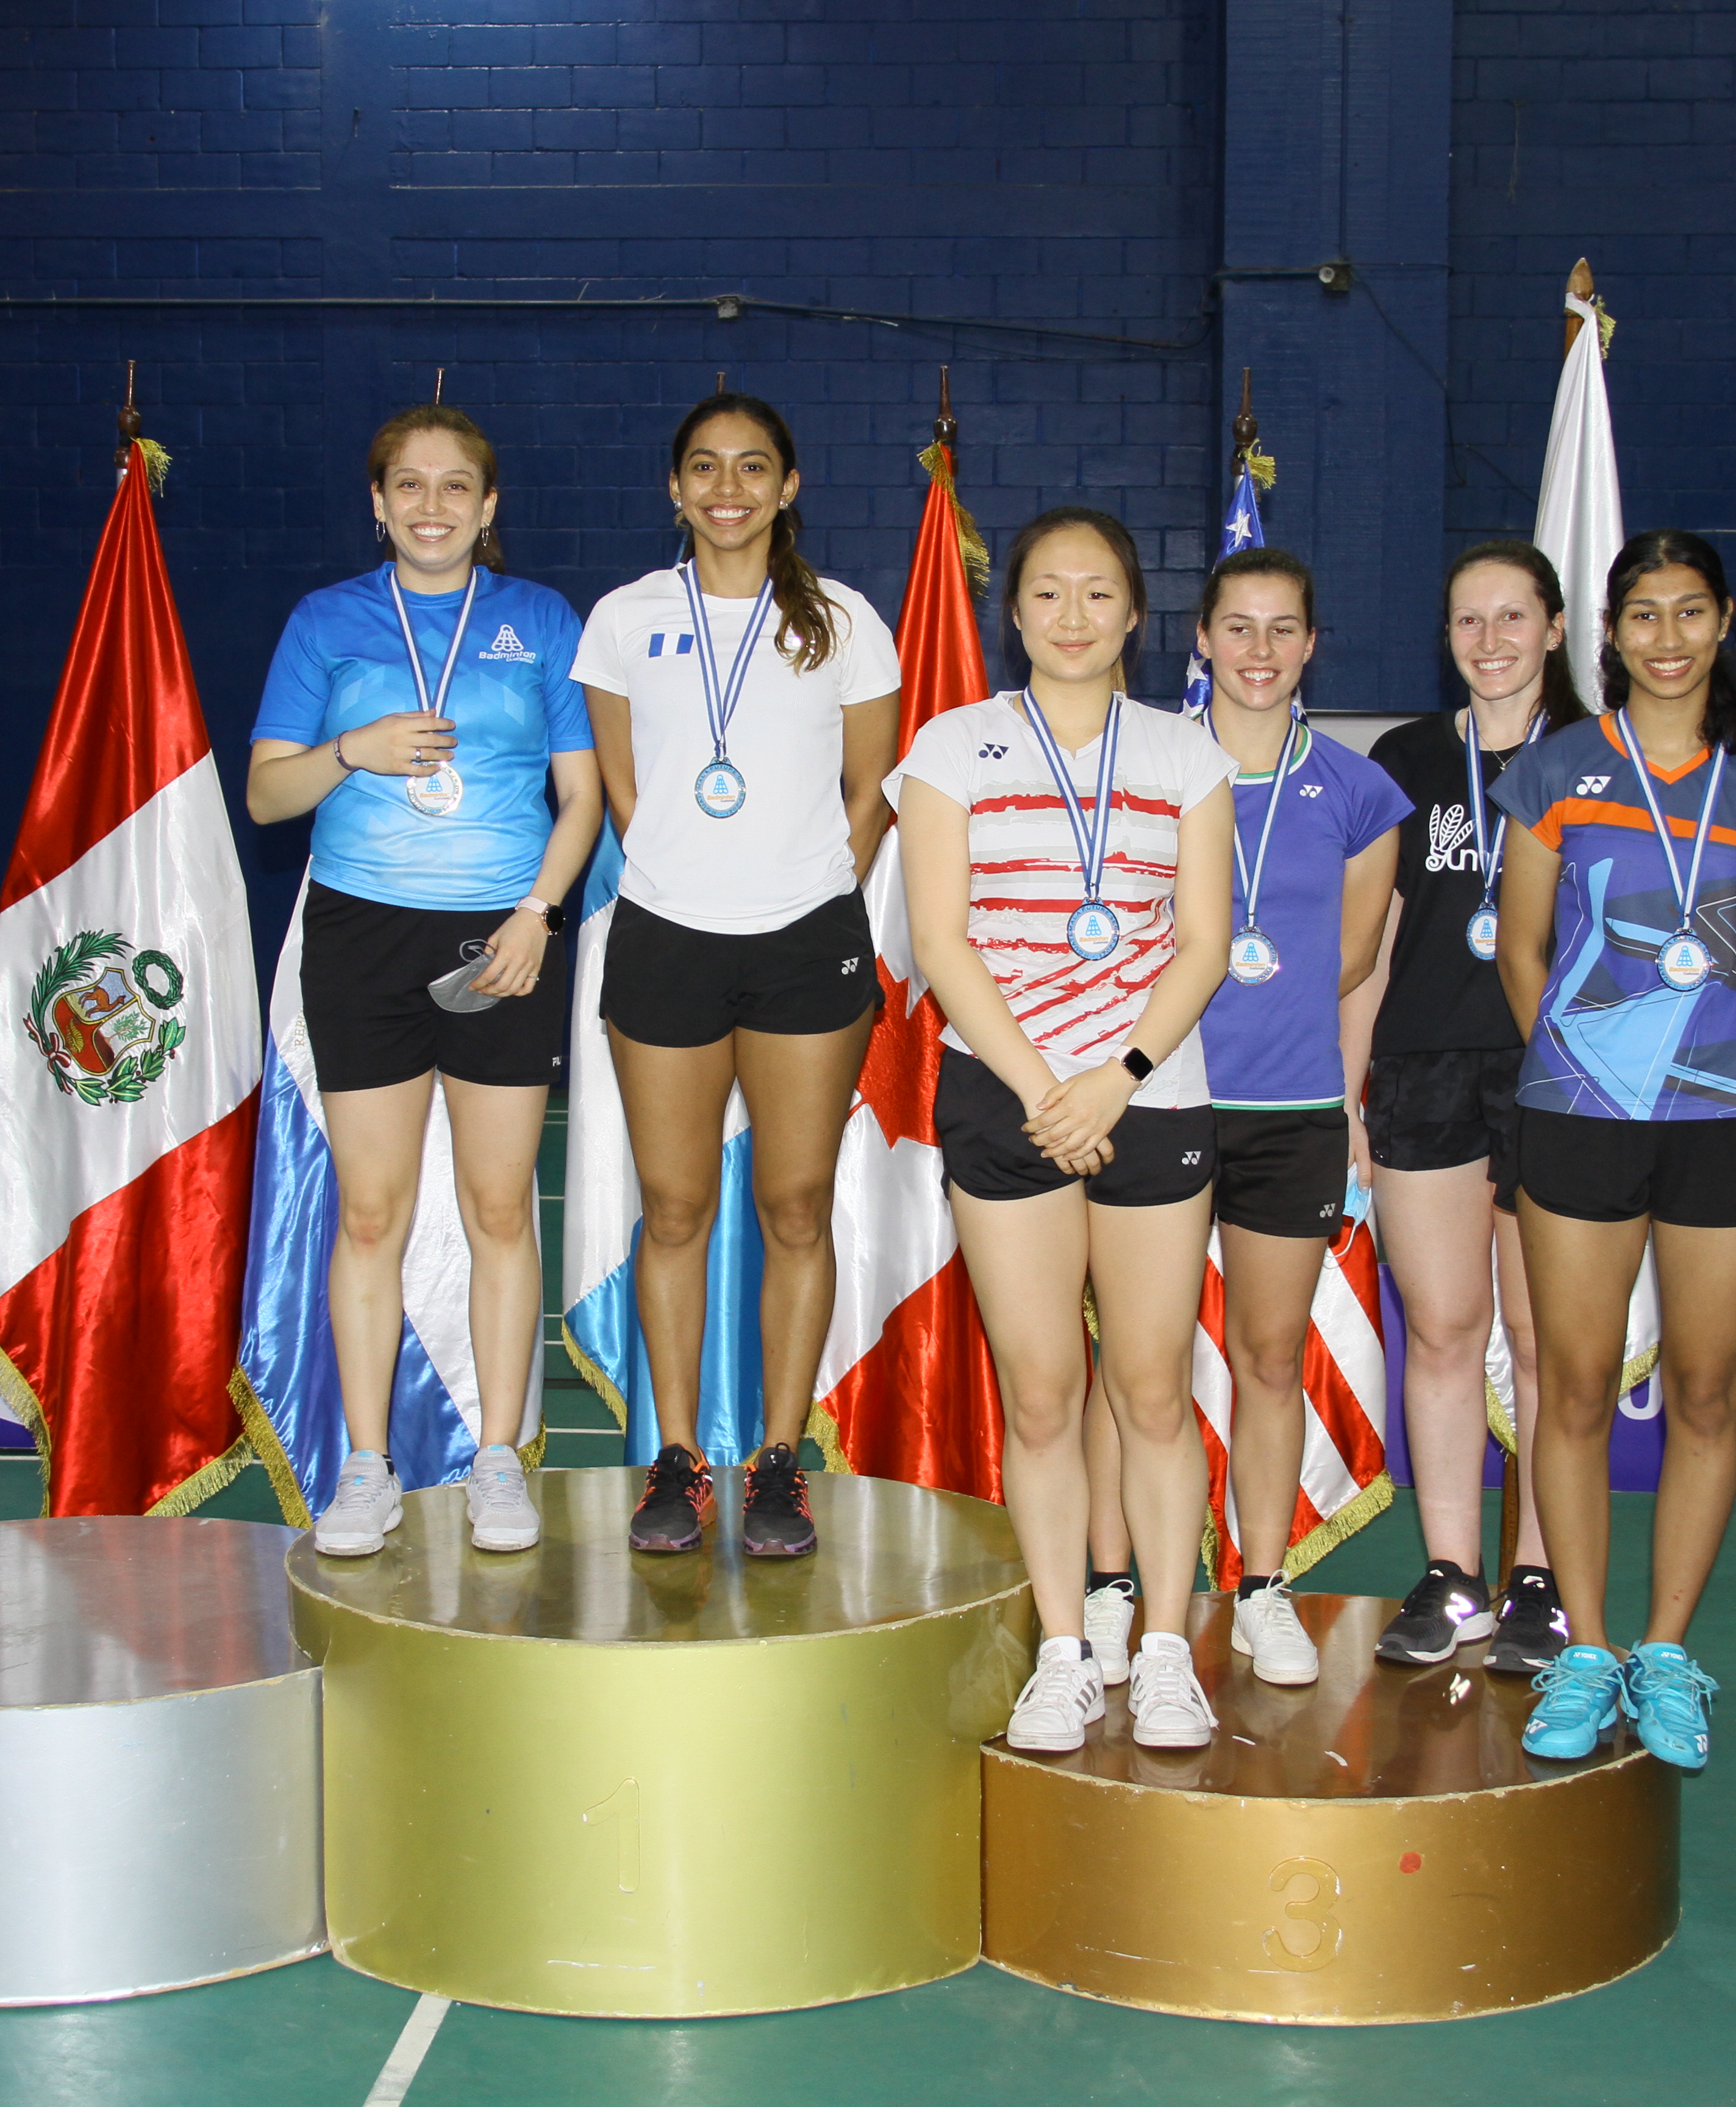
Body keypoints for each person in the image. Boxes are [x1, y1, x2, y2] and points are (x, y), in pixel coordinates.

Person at [1488, 528, 1736, 1770]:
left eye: (1691, 613)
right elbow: (1521, 950)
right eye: (1644, 615)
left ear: (1725, 623)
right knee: (1573, 1391)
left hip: (1726, 1123)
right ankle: (1587, 1649)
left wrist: (1728, 1061)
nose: (1668, 638)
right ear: (1612, 632)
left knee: (1702, 1387)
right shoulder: (1560, 771)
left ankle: (1670, 1652)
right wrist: (1585, 1071)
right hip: (1578, 1116)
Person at [891, 505, 1234, 1753]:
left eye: (1099, 594)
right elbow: (943, 941)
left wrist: (1120, 1076)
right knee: (1042, 1398)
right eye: (1048, 594)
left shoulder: (1185, 755)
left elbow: (1202, 942)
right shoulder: (949, 747)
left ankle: (1161, 1651)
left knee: (1150, 1391)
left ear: (1135, 614)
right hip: (1006, 1093)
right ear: (1016, 610)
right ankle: (1062, 1648)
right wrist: (1048, 1088)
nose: (1074, 616)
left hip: (1152, 1094)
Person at [247, 405, 604, 1558]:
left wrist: (539, 914)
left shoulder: (540, 619)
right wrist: (353, 750)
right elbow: (265, 798)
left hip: (500, 941)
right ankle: (366, 1468)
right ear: (379, 502)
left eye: (458, 487)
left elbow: (584, 798)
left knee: (501, 1209)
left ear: (489, 508)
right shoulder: (326, 623)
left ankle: (499, 1458)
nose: (433, 506)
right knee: (370, 1213)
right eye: (410, 485)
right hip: (360, 938)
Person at [573, 392, 903, 1558]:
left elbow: (873, 790)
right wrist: (692, 878)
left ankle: (776, 1462)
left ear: (789, 486)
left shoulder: (845, 622)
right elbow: (622, 789)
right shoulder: (623, 618)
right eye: (705, 467)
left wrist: (812, 891)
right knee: (674, 1210)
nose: (728, 487)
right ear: (675, 489)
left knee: (794, 1205)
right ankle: (675, 1462)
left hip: (807, 942)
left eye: (753, 466)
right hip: (665, 938)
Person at [1077, 547, 1406, 1690]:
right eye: (1237, 628)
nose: (1259, 652)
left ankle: (1263, 1584)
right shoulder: (1150, 767)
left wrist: (1352, 1104)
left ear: (1312, 646)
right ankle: (1110, 1583)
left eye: (1283, 630)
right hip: (1162, 1098)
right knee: (1136, 1363)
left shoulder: (1361, 793)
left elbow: (1359, 960)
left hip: (1294, 1111)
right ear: (1200, 642)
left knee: (1271, 1360)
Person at [1354, 541, 1591, 1673]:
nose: (1490, 641)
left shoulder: (1601, 759)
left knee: (1542, 1343)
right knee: (1445, 1330)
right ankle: (1453, 1575)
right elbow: (1376, 941)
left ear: (1553, 628)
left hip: (1554, 1073)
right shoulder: (1403, 757)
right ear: (1446, 637)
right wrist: (1355, 1091)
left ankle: (1539, 1581)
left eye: (1512, 618)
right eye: (1467, 621)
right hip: (1422, 1066)